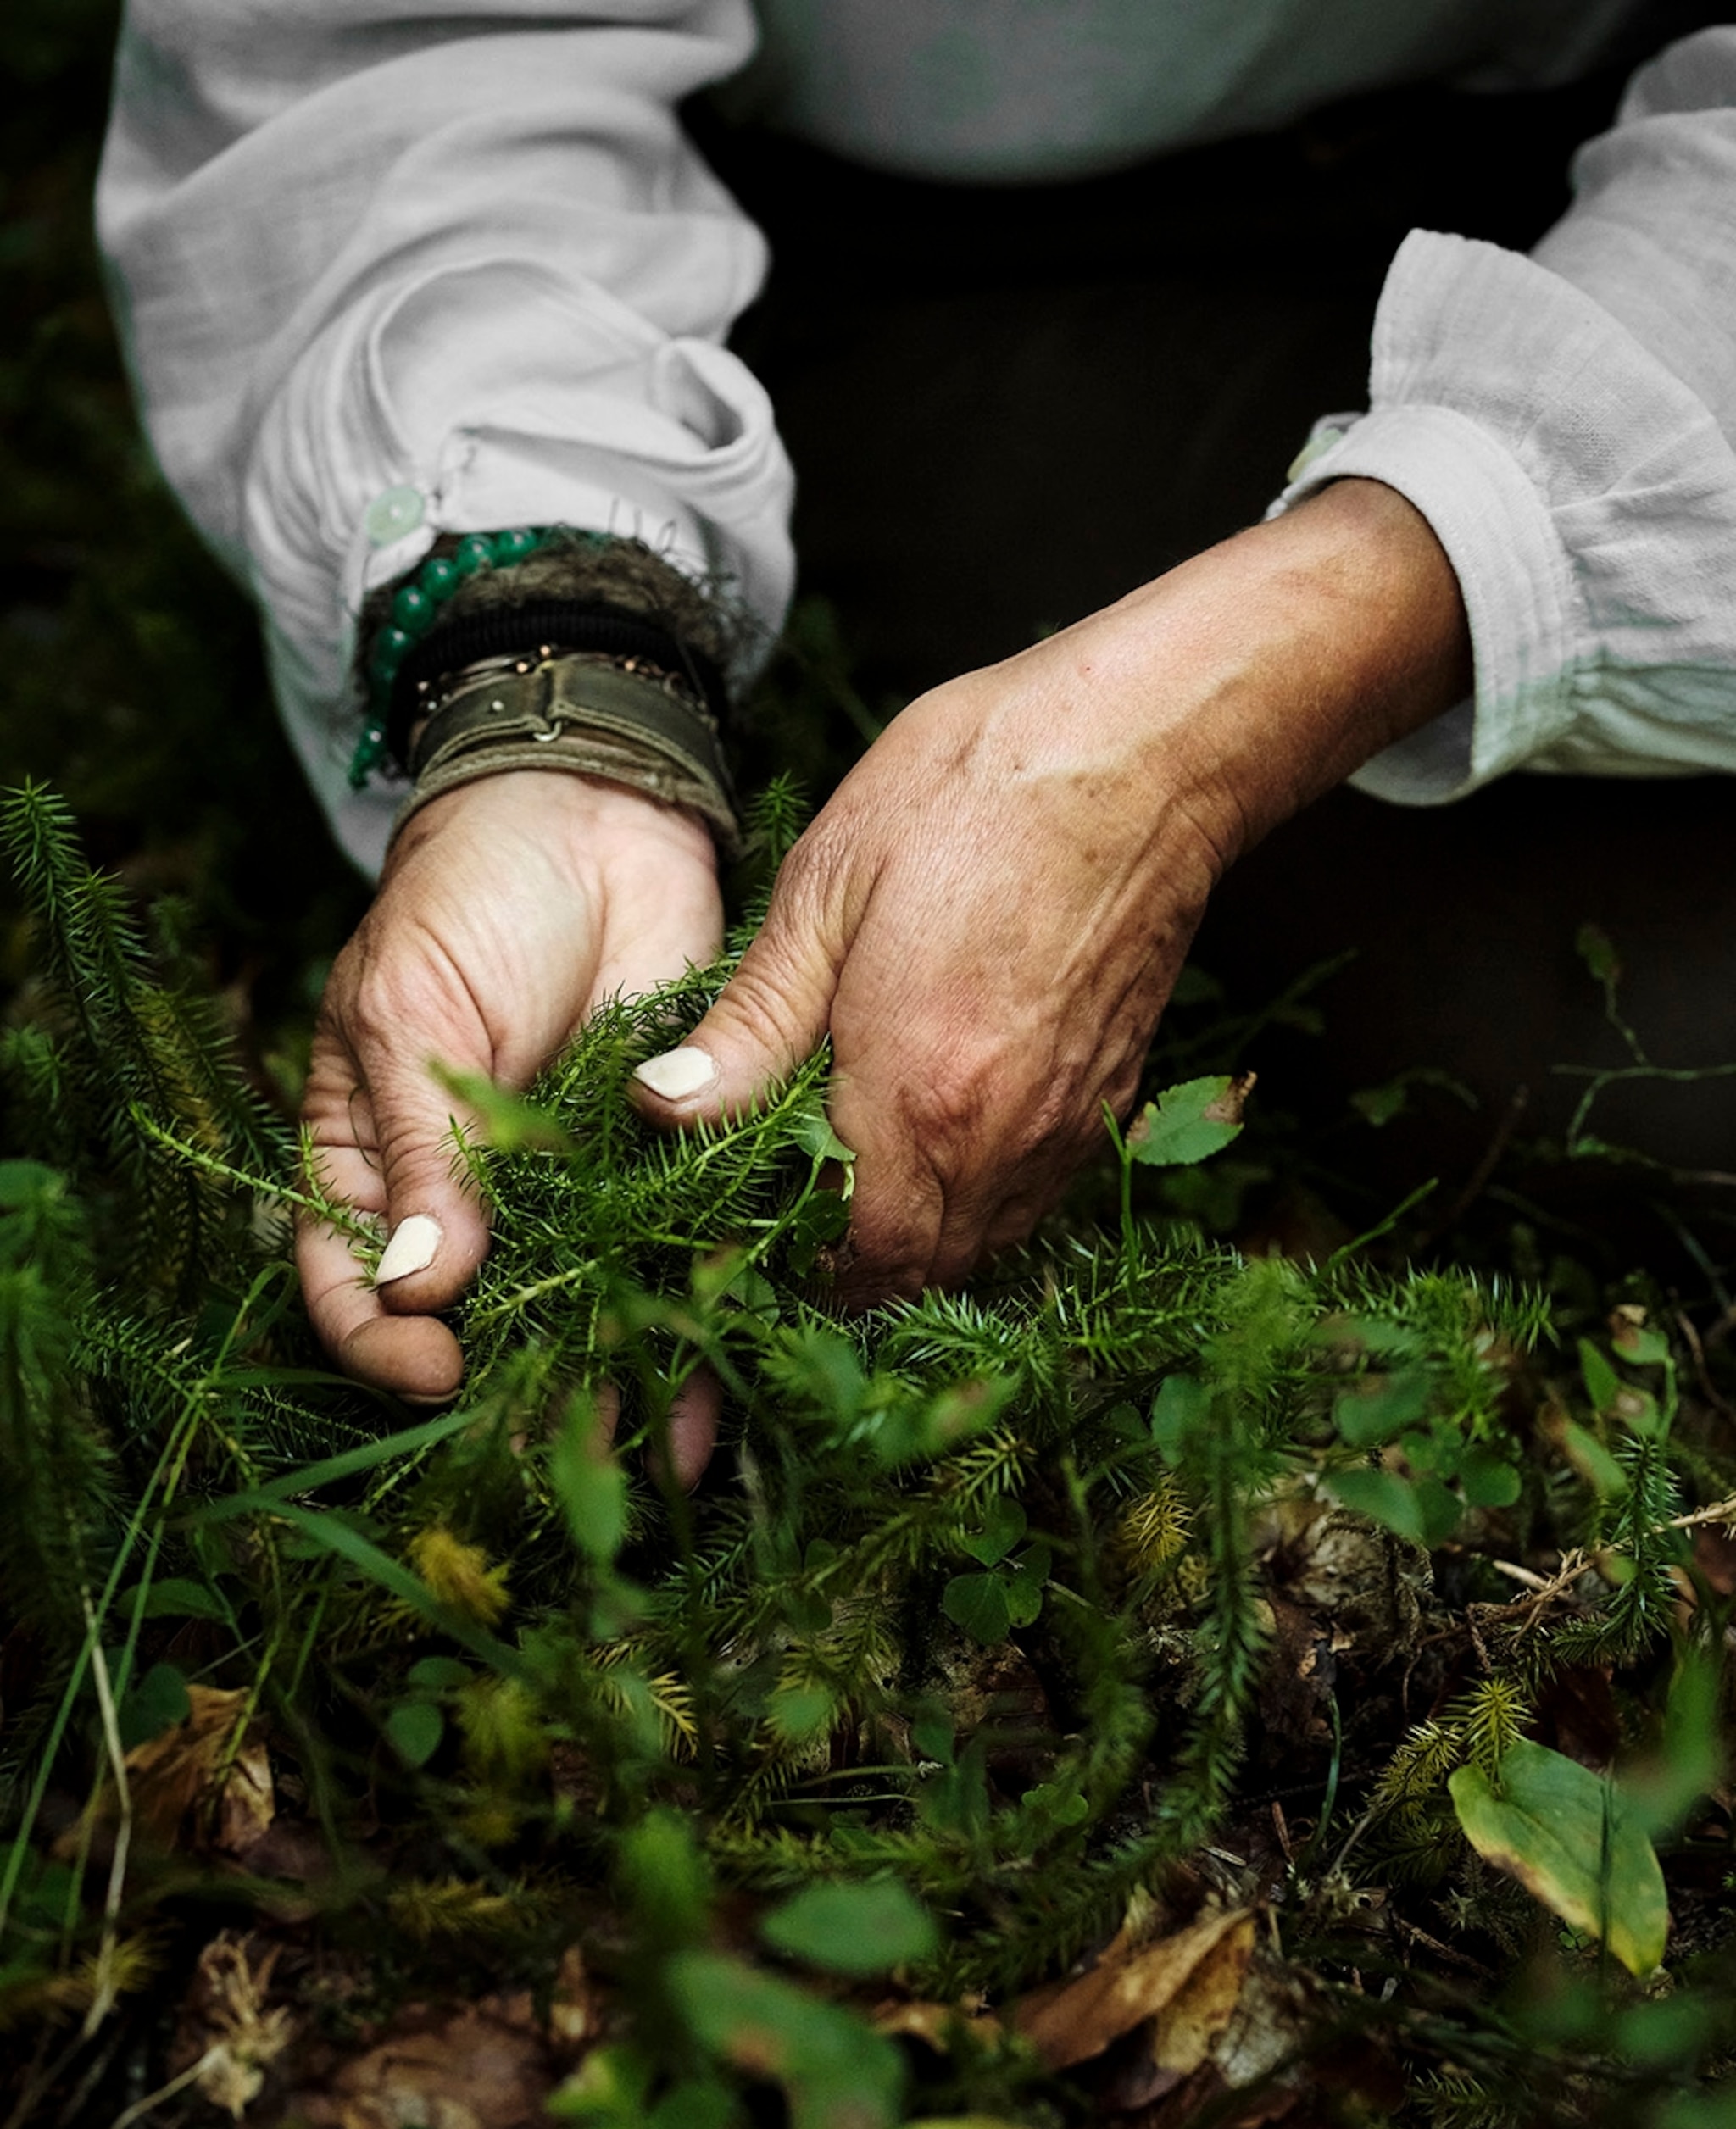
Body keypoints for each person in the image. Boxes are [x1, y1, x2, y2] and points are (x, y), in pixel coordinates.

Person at [97, 6, 1736, 1451]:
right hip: (946, 251)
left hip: (1634, 177)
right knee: (1643, 1046)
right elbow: (406, 63)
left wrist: (1186, 737)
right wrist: (560, 706)